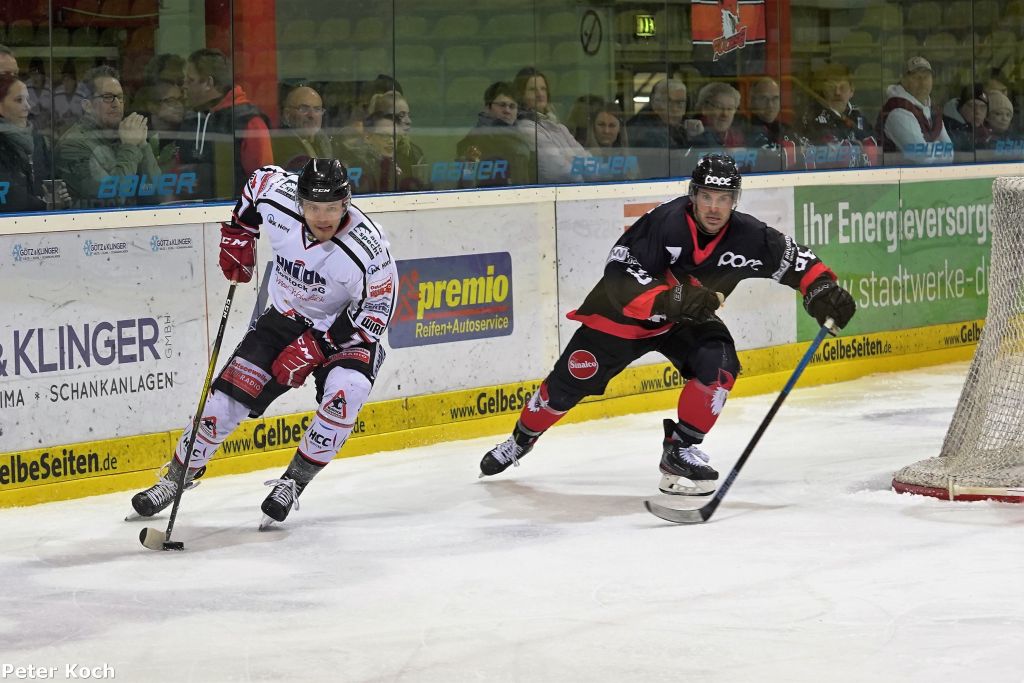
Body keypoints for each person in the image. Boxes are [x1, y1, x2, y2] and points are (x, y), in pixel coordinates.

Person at [479, 154, 856, 494]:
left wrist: (822, 289)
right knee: (562, 390)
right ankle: (522, 439)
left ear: (735, 200)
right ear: (693, 195)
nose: (714, 207)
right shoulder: (665, 223)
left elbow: (796, 261)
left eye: (724, 199)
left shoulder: (747, 235)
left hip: (685, 322)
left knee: (720, 366)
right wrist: (665, 299)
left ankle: (681, 448)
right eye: (707, 196)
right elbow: (619, 274)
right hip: (620, 321)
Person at [130, 158, 398, 527]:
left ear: (346, 203)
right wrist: (240, 230)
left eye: (333, 208)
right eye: (314, 208)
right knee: (223, 403)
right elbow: (257, 182)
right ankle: (176, 479)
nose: (323, 217)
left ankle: (293, 482)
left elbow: (378, 311)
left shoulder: (367, 248)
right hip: (284, 320)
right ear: (299, 202)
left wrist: (318, 346)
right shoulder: (278, 195)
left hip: (345, 330)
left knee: (345, 393)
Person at [55, 65, 161, 207]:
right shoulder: (72, 144)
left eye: (120, 97)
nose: (116, 104)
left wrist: (142, 144)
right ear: (87, 106)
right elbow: (111, 200)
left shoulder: (125, 135)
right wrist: (129, 147)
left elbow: (156, 194)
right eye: (107, 97)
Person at [179, 48, 272, 199]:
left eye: (190, 80)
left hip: (234, 213)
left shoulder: (249, 121)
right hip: (188, 212)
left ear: (209, 83)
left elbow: (263, 184)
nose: (184, 86)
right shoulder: (192, 119)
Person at [0, 73, 69, 212]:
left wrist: (61, 196)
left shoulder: (37, 140)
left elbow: (51, 178)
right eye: (19, 100)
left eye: (28, 99)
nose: (27, 106)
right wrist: (46, 205)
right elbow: (9, 195)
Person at [512, 66, 589, 183]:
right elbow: (558, 171)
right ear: (521, 95)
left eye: (543, 88)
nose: (540, 94)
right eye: (532, 89)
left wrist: (569, 160)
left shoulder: (558, 126)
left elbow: (587, 160)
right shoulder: (526, 128)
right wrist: (581, 174)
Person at [455, 80, 534, 187]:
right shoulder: (477, 138)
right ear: (488, 108)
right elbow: (467, 181)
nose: (507, 110)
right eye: (502, 105)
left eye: (512, 106)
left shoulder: (522, 137)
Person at [878, 56, 952, 164]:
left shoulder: (932, 109)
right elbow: (920, 156)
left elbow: (950, 152)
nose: (922, 82)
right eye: (916, 77)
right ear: (903, 80)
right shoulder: (898, 110)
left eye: (926, 77)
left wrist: (928, 148)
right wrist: (939, 148)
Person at [625, 78, 701, 149]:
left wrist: (697, 136)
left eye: (680, 103)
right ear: (654, 103)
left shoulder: (683, 126)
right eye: (668, 102)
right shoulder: (641, 129)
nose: (674, 109)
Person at [273, 84, 334, 171]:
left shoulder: (323, 142)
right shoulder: (282, 146)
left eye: (317, 109)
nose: (311, 115)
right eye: (304, 109)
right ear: (287, 115)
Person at [942, 83, 992, 153]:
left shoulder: (989, 131)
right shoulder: (948, 129)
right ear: (960, 108)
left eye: (982, 107)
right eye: (971, 106)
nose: (977, 111)